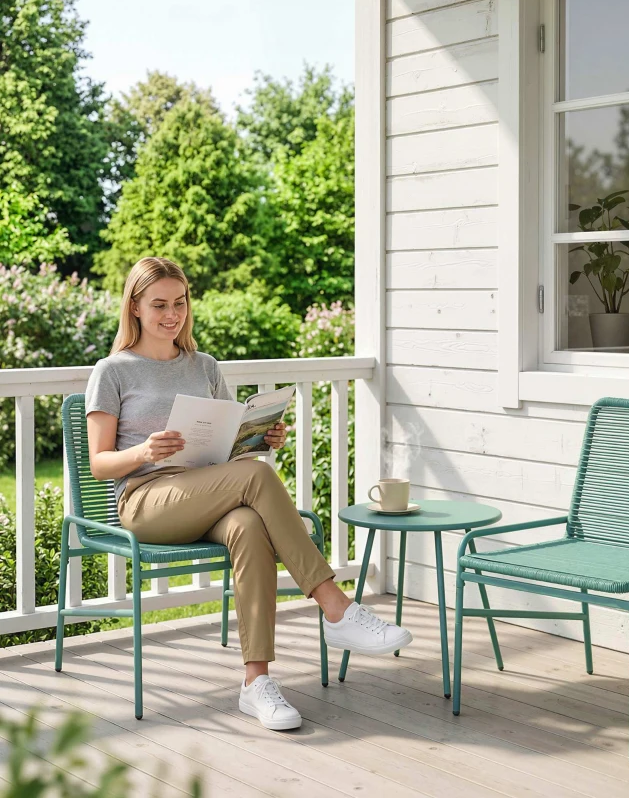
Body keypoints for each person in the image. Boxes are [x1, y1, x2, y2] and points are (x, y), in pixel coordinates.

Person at [85, 257, 412, 731]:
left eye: (180, 303)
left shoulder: (205, 367)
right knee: (257, 477)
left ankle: (255, 683)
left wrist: (260, 437)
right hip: (145, 498)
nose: (171, 314)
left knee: (249, 523)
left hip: (206, 489)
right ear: (134, 306)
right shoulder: (113, 371)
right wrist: (143, 451)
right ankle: (336, 607)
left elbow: (222, 442)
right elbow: (98, 464)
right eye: (159, 305)